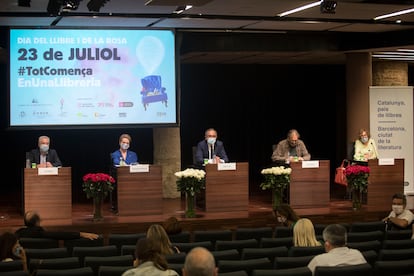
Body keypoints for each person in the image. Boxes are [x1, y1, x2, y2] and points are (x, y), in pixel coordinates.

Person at [15, 211, 99, 240]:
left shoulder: (18, 234)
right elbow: (60, 234)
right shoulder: (40, 233)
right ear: (37, 222)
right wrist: (81, 234)